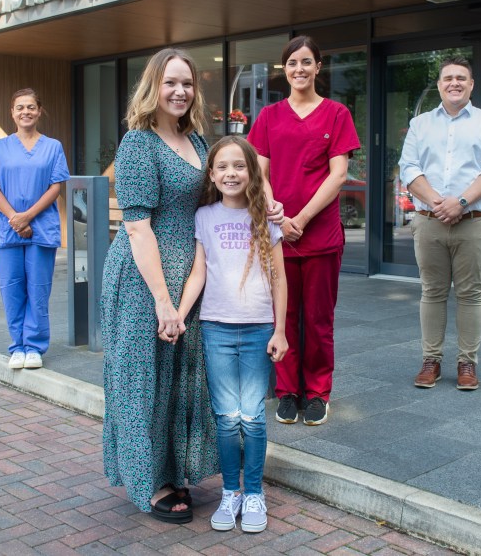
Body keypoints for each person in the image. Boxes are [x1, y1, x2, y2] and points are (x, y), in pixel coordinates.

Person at [100, 48, 219, 523]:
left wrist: (265, 204)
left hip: (186, 278)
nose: (179, 91)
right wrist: (163, 302)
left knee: (178, 381)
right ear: (154, 86)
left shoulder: (199, 142)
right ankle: (149, 482)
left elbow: (217, 200)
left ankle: (173, 469)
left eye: (187, 83)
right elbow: (137, 228)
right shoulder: (138, 143)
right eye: (170, 82)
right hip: (142, 282)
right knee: (141, 380)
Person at [177, 136, 288, 534]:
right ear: (211, 173)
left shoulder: (267, 217)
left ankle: (254, 492)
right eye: (222, 167)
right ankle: (231, 493)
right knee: (226, 418)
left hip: (259, 330)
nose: (231, 173)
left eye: (239, 166)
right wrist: (178, 313)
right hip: (216, 329)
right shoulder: (204, 216)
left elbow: (279, 278)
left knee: (254, 418)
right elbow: (199, 272)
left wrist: (281, 330)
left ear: (252, 172)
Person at [248, 35, 360, 426]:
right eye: (292, 62)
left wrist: (302, 219)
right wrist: (278, 214)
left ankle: (316, 391)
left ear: (318, 67)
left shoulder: (336, 114)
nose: (299, 69)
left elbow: (339, 174)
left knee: (317, 318)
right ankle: (286, 390)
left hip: (320, 234)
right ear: (285, 69)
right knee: (282, 314)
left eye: (306, 62)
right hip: (278, 231)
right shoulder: (268, 117)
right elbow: (259, 172)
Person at [398, 56, 481, 391]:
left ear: (471, 84)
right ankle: (431, 360)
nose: (454, 83)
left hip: (473, 222)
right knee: (432, 291)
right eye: (448, 78)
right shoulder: (420, 124)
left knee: (471, 293)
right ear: (440, 84)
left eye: (461, 78)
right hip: (429, 220)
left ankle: (467, 363)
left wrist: (459, 203)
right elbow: (409, 168)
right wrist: (437, 202)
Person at [0, 88, 70, 370]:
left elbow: (56, 186)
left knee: (39, 288)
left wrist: (28, 216)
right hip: (9, 230)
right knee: (12, 289)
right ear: (12, 112)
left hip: (41, 229)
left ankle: (34, 346)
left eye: (31, 107)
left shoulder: (52, 146)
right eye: (20, 107)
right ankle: (16, 346)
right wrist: (14, 219)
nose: (25, 112)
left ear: (39, 111)